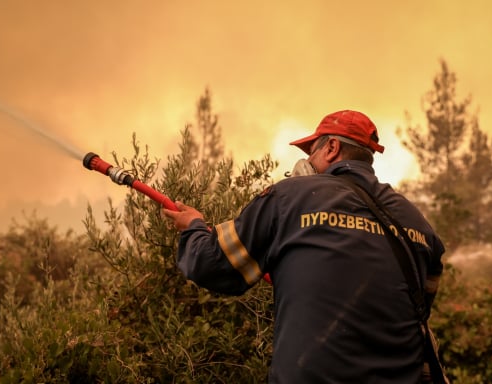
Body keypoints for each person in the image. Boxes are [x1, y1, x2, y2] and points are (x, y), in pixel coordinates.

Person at [163, 110, 446, 383]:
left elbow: (212, 265)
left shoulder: (289, 197)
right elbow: (417, 302)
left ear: (332, 148)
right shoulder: (416, 221)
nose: (308, 160)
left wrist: (195, 227)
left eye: (312, 151)